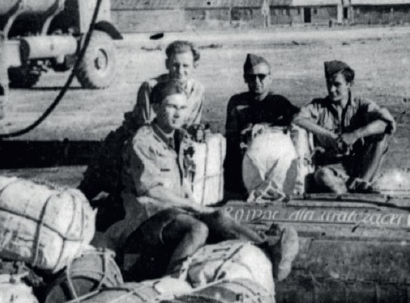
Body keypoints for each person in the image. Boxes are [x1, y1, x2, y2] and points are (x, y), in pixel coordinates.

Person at [102, 80, 298, 282]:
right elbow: (152, 191)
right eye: (171, 107)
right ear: (156, 108)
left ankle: (268, 249)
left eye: (182, 108)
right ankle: (171, 281)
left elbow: (181, 180)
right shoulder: (143, 141)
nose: (178, 114)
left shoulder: (178, 138)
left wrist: (194, 202)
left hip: (173, 214)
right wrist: (194, 206)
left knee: (219, 216)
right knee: (198, 228)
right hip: (144, 220)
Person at [78, 41, 206, 229]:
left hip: (172, 143)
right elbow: (144, 127)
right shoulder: (151, 86)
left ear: (194, 66)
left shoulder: (198, 90)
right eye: (175, 65)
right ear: (167, 64)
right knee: (103, 184)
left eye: (185, 66)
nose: (179, 71)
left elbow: (191, 123)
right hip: (133, 140)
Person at [292, 60, 395, 195]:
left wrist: (355, 135)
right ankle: (352, 192)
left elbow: (385, 123)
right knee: (322, 176)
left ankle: (361, 184)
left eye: (337, 84)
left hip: (361, 169)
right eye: (328, 84)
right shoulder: (319, 106)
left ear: (349, 84)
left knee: (381, 137)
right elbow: (297, 118)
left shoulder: (362, 105)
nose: (331, 89)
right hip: (331, 170)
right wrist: (330, 136)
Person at [224, 54, 300, 198]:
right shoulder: (237, 103)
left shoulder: (279, 102)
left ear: (270, 78)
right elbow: (231, 138)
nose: (257, 81)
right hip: (244, 161)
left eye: (262, 76)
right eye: (252, 77)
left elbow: (299, 120)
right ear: (245, 78)